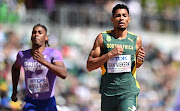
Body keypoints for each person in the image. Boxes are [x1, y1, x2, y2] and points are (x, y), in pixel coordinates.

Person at [86, 4, 145, 111]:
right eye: (118, 15)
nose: (121, 18)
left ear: (129, 19)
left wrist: (140, 60)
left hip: (128, 92)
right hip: (108, 92)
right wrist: (110, 54)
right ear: (112, 19)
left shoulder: (136, 40)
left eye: (124, 15)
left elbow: (136, 65)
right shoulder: (102, 38)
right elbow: (89, 66)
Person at [11, 24, 67, 111]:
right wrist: (14, 90)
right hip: (30, 100)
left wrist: (44, 62)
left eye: (40, 32)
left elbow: (63, 74)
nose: (36, 34)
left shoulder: (53, 53)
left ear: (46, 38)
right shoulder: (22, 55)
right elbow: (15, 68)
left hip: (48, 101)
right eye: (34, 32)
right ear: (31, 37)